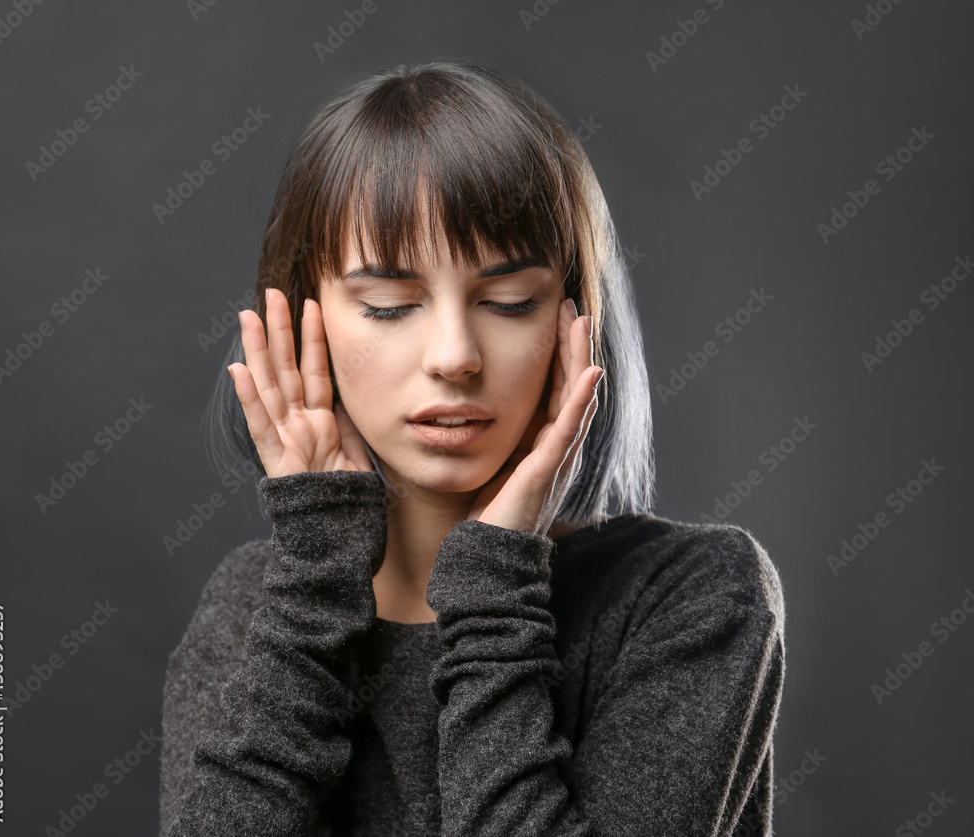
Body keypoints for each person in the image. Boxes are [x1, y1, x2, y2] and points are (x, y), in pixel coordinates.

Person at [159, 61, 786, 836]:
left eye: (508, 302)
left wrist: (494, 575)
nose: (455, 355)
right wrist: (320, 578)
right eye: (390, 307)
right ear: (303, 320)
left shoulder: (695, 595)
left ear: (574, 318)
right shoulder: (257, 607)